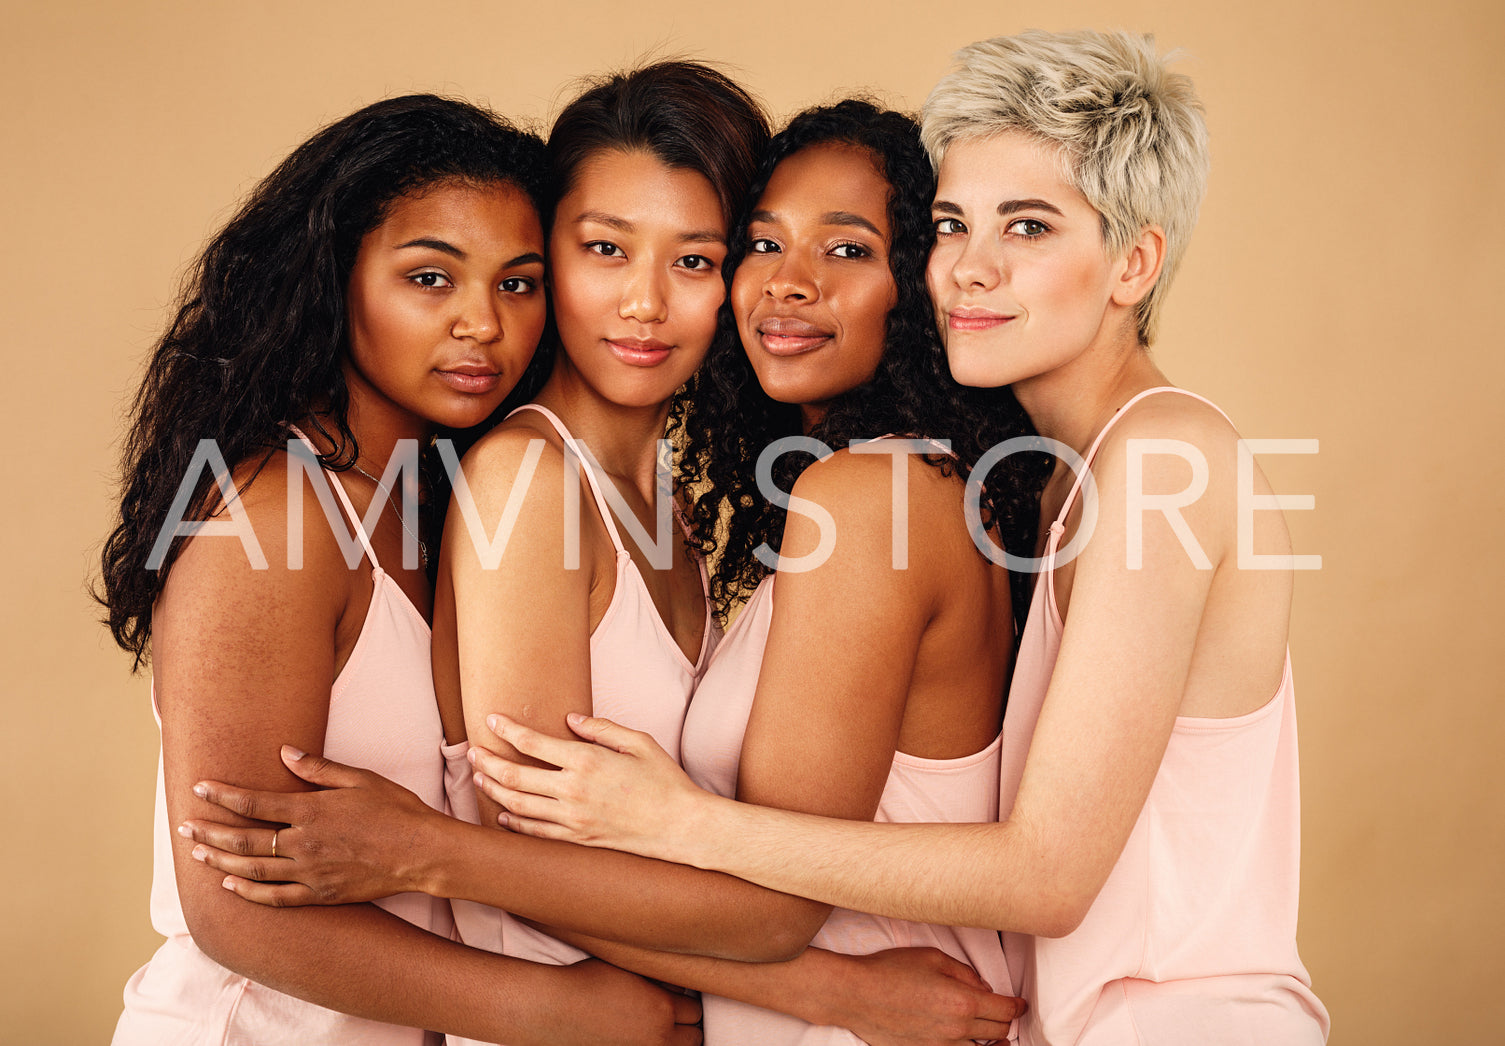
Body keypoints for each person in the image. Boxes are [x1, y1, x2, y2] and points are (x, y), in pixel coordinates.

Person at [458, 31, 1333, 1045]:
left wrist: (672, 822)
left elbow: (1044, 873)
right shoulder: (1050, 480)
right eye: (953, 227)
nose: (971, 269)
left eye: (1029, 228)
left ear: (1132, 262)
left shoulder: (1159, 457)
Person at [179, 98, 1035, 1046]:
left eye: (696, 259)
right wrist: (821, 989)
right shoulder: (520, 479)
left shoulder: (670, 504)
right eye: (604, 250)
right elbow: (515, 853)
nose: (644, 303)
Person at [99, 93, 700, 1045]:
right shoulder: (271, 511)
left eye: (517, 283)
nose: (482, 325)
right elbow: (232, 902)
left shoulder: (440, 496)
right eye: (431, 278)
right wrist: (548, 1008)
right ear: (334, 281)